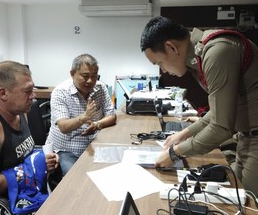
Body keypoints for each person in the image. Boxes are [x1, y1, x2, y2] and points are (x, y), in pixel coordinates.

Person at [140, 16, 258, 195]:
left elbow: (221, 127)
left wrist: (175, 153)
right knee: (233, 194)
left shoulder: (217, 52)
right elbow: (218, 111)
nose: (163, 70)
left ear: (171, 47)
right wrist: (183, 134)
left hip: (254, 138)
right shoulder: (200, 56)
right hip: (245, 137)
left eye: (159, 63)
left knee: (247, 201)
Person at [0, 61, 59, 202]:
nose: (33, 96)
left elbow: (19, 154)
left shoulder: (20, 112)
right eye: (27, 91)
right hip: (5, 205)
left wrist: (42, 159)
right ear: (3, 93)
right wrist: (28, 171)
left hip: (27, 194)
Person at [46, 54, 117, 176]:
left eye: (94, 76)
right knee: (77, 179)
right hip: (66, 150)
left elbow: (112, 116)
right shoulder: (60, 92)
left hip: (94, 144)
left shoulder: (101, 88)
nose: (90, 81)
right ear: (72, 74)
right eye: (85, 76)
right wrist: (84, 117)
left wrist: (97, 124)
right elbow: (63, 126)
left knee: (113, 171)